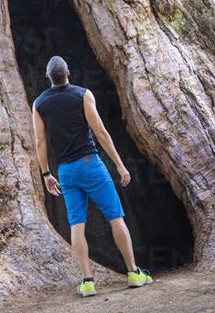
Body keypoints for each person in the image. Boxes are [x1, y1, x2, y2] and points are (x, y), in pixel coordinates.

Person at [32, 55, 153, 297]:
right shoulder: (82, 94)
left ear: (48, 78)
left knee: (76, 224)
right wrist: (120, 165)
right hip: (91, 165)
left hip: (65, 172)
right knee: (115, 217)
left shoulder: (39, 104)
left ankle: (87, 282)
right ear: (68, 74)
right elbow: (99, 131)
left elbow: (40, 141)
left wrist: (46, 173)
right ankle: (133, 273)